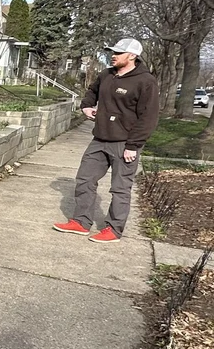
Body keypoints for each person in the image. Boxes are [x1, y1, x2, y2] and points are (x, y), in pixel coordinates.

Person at [53, 38, 160, 243]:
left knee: (120, 188)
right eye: (113, 52)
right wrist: (86, 106)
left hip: (125, 143)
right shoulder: (107, 74)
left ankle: (113, 229)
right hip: (100, 138)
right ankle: (81, 222)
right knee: (85, 179)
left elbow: (148, 117)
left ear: (132, 56)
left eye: (118, 53)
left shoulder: (145, 81)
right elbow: (92, 91)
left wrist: (133, 145)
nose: (113, 55)